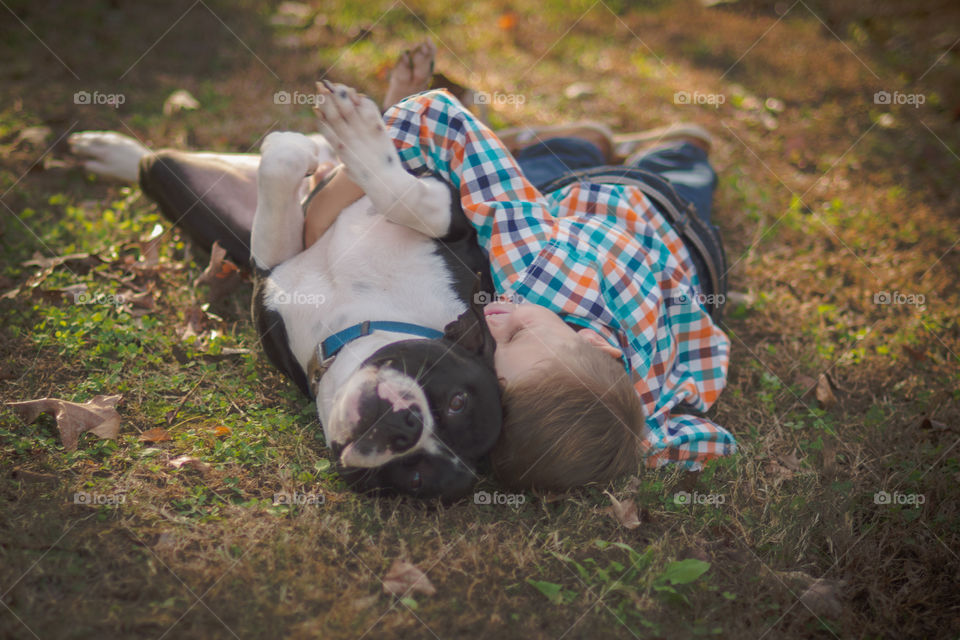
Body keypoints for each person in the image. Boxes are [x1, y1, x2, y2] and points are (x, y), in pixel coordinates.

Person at [306, 79, 736, 491]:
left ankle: (631, 147)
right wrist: (362, 171)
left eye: (492, 359)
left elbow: (714, 443)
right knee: (526, 190)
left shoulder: (642, 423)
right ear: (594, 344)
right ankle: (640, 149)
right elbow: (442, 118)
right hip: (640, 209)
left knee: (675, 172)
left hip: (693, 265)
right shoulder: (533, 270)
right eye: (515, 333)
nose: (492, 323)